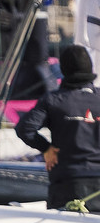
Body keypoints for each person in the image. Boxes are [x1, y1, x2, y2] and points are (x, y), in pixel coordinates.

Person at [17, 44, 100, 211]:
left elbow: (25, 128)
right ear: (90, 68)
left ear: (63, 70)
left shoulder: (54, 100)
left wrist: (46, 148)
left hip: (68, 183)